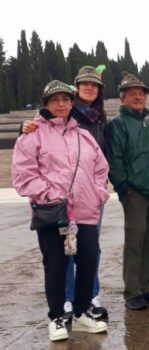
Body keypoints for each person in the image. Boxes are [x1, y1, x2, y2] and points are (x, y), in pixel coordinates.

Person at [12, 80, 109, 341]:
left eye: (65, 99)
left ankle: (80, 312)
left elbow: (101, 167)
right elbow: (23, 176)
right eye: (55, 100)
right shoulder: (32, 135)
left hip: (86, 212)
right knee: (55, 265)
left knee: (88, 261)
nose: (61, 104)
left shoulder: (84, 135)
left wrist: (99, 193)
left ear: (71, 102)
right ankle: (56, 316)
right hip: (52, 213)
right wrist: (53, 196)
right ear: (46, 104)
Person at [106, 73, 149, 310]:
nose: (138, 96)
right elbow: (115, 159)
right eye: (132, 93)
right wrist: (124, 189)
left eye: (141, 93)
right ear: (122, 99)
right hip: (136, 193)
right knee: (135, 240)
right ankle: (132, 291)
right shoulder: (118, 124)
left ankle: (145, 287)